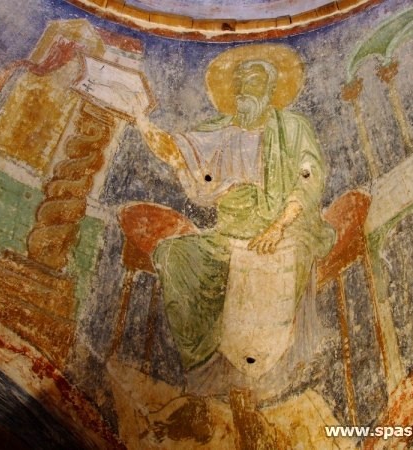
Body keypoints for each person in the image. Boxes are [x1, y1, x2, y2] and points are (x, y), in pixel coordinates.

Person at [134, 44, 335, 377]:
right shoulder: (221, 131)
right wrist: (140, 119)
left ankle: (266, 364)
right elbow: (176, 150)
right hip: (228, 235)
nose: (243, 88)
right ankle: (202, 361)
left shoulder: (293, 127)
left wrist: (278, 226)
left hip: (286, 227)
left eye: (253, 81)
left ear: (270, 89)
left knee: (278, 263)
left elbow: (309, 177)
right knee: (174, 255)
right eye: (239, 82)